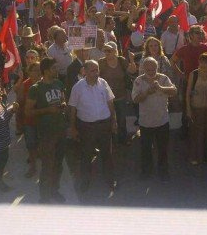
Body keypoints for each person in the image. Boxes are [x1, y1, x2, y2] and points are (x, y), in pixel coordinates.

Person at [69, 60, 117, 193]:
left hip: (104, 125)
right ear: (85, 71)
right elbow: (72, 108)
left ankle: (110, 179)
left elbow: (110, 103)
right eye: (93, 70)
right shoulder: (77, 87)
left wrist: (114, 121)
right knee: (86, 155)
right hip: (87, 127)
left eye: (97, 70)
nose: (96, 73)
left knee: (107, 154)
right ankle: (85, 182)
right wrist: (72, 127)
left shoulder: (103, 83)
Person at [26, 57, 68, 204]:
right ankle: (44, 197)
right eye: (54, 68)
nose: (57, 70)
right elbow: (28, 112)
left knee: (58, 164)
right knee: (47, 165)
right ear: (46, 71)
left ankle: (54, 190)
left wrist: (62, 104)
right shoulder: (35, 89)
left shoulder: (59, 83)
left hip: (61, 130)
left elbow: (63, 100)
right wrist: (47, 110)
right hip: (46, 133)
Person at [132, 57, 177, 181]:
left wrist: (161, 88)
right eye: (148, 70)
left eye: (154, 69)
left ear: (157, 68)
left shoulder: (163, 78)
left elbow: (174, 91)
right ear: (143, 69)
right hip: (146, 123)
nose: (151, 72)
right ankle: (146, 171)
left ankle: (163, 171)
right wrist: (147, 92)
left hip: (162, 121)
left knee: (163, 149)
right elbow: (135, 100)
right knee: (146, 150)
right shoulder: (138, 81)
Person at [98, 41, 137, 144]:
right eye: (105, 50)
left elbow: (132, 71)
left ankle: (122, 139)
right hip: (106, 97)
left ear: (115, 51)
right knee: (108, 119)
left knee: (121, 119)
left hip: (121, 95)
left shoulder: (121, 60)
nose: (107, 53)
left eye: (109, 50)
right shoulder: (101, 62)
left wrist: (132, 60)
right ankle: (109, 140)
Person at [185, 53, 207, 165]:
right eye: (202, 61)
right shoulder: (193, 74)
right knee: (196, 133)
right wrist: (188, 109)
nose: (204, 64)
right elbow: (188, 93)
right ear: (199, 62)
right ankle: (195, 157)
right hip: (197, 107)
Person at [14, 62, 42, 177]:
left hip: (43, 121)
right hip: (29, 121)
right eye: (35, 70)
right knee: (31, 144)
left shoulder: (46, 83)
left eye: (40, 70)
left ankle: (37, 154)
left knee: (41, 143)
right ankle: (33, 166)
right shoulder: (25, 85)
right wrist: (19, 124)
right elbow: (20, 105)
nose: (38, 72)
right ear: (29, 72)